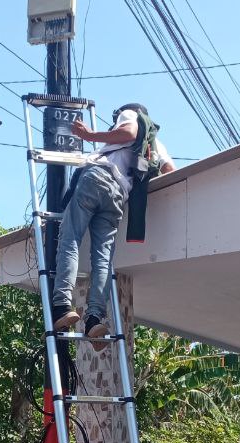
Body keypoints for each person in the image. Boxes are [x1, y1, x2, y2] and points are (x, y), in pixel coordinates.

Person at [51, 103, 175, 348]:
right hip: (118, 195)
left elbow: (128, 132)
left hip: (97, 178)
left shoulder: (131, 115)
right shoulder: (155, 142)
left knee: (70, 239)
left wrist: (89, 135)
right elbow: (169, 169)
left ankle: (62, 305)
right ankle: (94, 319)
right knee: (103, 258)